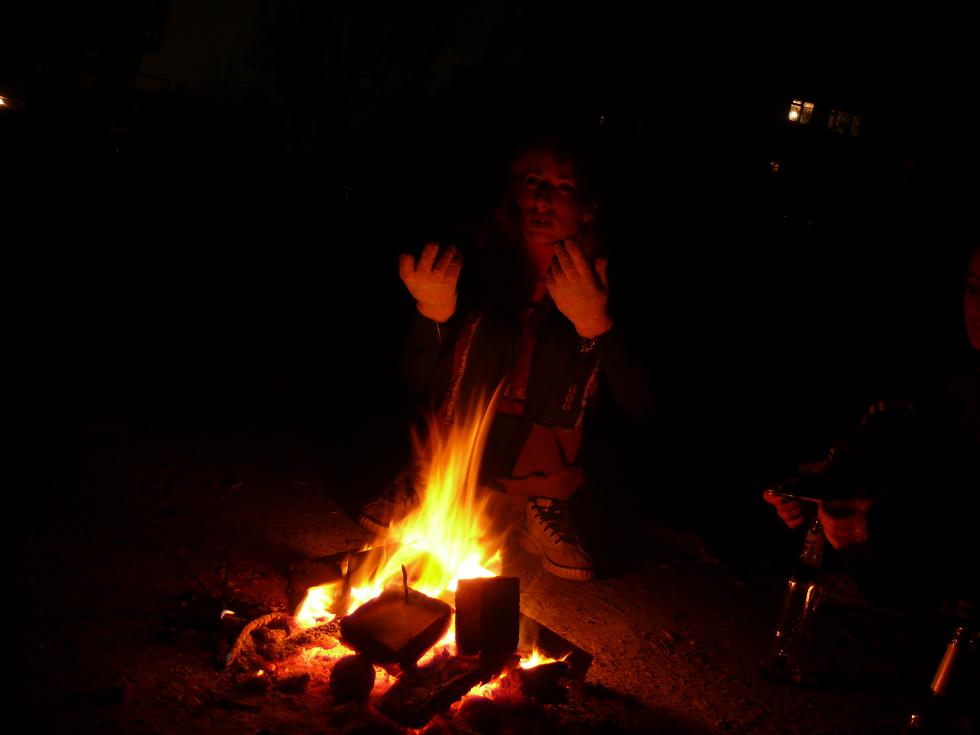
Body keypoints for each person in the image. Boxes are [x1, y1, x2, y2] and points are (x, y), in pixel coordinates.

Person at [357, 129, 654, 582]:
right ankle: (427, 479)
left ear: (588, 206)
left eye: (563, 187)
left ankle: (544, 503)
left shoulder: (609, 279)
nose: (542, 200)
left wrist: (598, 326)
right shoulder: (477, 261)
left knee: (571, 336)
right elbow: (414, 376)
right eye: (534, 182)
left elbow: (641, 402)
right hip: (462, 449)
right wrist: (432, 313)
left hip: (540, 458)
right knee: (490, 326)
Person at [763, 243, 979, 614]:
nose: (977, 308)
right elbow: (886, 437)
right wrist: (817, 485)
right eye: (973, 288)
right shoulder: (941, 362)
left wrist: (879, 523)